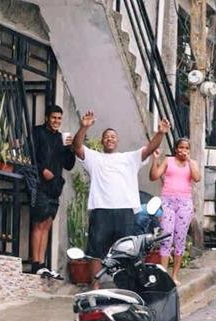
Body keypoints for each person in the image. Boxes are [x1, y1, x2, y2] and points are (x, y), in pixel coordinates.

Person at [72, 111, 170, 288]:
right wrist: (84, 127)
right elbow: (77, 147)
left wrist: (161, 133)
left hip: (125, 211)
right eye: (106, 136)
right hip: (101, 210)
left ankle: (126, 286)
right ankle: (95, 286)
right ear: (102, 141)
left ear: (117, 141)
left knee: (127, 251)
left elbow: (149, 148)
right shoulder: (94, 158)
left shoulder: (129, 158)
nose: (110, 138)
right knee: (96, 252)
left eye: (113, 136)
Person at [30, 105, 76, 279]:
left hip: (55, 187)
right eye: (54, 117)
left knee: (48, 223)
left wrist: (70, 148)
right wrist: (42, 170)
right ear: (47, 117)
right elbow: (30, 155)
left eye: (59, 118)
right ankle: (36, 263)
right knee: (39, 222)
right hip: (39, 184)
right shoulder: (37, 133)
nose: (56, 121)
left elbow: (68, 165)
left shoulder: (60, 138)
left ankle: (42, 264)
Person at [149, 138, 200, 284]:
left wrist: (189, 161)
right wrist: (155, 159)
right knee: (166, 238)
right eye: (181, 147)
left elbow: (197, 178)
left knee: (180, 239)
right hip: (168, 202)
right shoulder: (168, 161)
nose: (183, 150)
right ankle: (164, 275)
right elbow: (153, 176)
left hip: (184, 204)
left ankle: (175, 276)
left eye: (186, 148)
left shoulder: (192, 163)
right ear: (176, 149)